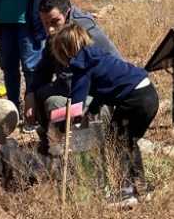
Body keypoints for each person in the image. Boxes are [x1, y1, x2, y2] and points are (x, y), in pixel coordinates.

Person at [49, 23, 158, 207]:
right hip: (148, 92)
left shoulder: (81, 66)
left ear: (64, 51)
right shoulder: (96, 55)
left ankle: (126, 193)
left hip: (135, 99)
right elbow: (102, 93)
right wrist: (90, 112)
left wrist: (54, 118)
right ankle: (141, 188)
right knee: (127, 141)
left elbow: (75, 108)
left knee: (117, 142)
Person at [26, 0, 120, 153]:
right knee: (41, 93)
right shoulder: (57, 32)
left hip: (95, 98)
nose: (50, 30)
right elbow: (43, 69)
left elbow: (115, 73)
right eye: (45, 24)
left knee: (53, 103)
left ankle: (75, 147)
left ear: (67, 13)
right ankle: (53, 138)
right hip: (72, 90)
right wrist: (30, 94)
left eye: (54, 22)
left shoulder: (86, 34)